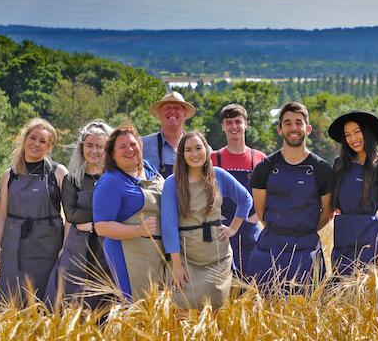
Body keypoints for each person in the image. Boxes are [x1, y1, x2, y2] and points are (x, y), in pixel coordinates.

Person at [247, 101, 334, 291]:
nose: (293, 128)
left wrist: (304, 230)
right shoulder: (265, 168)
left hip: (307, 248)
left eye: (298, 122)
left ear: (308, 128)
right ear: (279, 129)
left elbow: (327, 212)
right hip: (271, 248)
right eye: (287, 123)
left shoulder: (322, 169)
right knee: (266, 307)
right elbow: (261, 212)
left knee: (309, 308)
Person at [163, 131, 252, 310]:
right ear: (182, 154)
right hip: (188, 258)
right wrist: (177, 265)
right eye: (188, 150)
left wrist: (233, 228)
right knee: (183, 308)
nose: (195, 154)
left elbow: (245, 199)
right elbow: (169, 225)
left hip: (218, 256)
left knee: (217, 310)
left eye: (198, 148)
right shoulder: (172, 183)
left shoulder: (218, 175)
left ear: (206, 149)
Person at [0, 119, 67, 306]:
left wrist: (66, 249)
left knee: (44, 299)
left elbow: (71, 217)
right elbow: (1, 216)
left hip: (47, 246)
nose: (36, 144)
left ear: (49, 146)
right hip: (14, 246)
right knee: (10, 298)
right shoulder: (10, 174)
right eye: (32, 138)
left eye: (43, 141)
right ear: (24, 139)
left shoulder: (58, 173)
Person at [93, 125, 167, 300]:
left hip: (158, 251)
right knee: (136, 306)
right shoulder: (110, 181)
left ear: (140, 146)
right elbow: (101, 227)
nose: (129, 150)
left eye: (133, 144)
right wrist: (138, 230)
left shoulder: (148, 168)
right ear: (112, 153)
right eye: (122, 147)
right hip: (128, 255)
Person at [46, 120, 113, 310]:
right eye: (89, 145)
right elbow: (72, 215)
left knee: (104, 301)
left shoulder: (115, 179)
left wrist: (92, 222)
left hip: (108, 246)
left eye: (100, 146)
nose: (94, 151)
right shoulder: (72, 179)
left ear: (108, 148)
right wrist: (103, 219)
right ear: (82, 148)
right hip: (78, 246)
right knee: (68, 299)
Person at [328, 111, 378, 274]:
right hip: (343, 235)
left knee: (364, 293)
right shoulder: (340, 163)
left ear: (367, 132)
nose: (353, 139)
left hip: (369, 237)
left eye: (357, 132)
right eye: (348, 135)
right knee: (339, 290)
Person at [209, 103, 266, 279]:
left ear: (246, 124)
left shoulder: (259, 158)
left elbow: (268, 193)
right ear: (222, 126)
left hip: (249, 233)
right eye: (229, 122)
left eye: (238, 121)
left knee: (251, 284)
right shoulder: (213, 158)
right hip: (221, 231)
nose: (234, 126)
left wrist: (255, 218)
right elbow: (202, 193)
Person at [143, 91, 193, 178]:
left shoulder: (198, 147)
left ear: (184, 113)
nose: (172, 111)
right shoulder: (142, 145)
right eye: (167, 108)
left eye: (177, 108)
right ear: (160, 113)